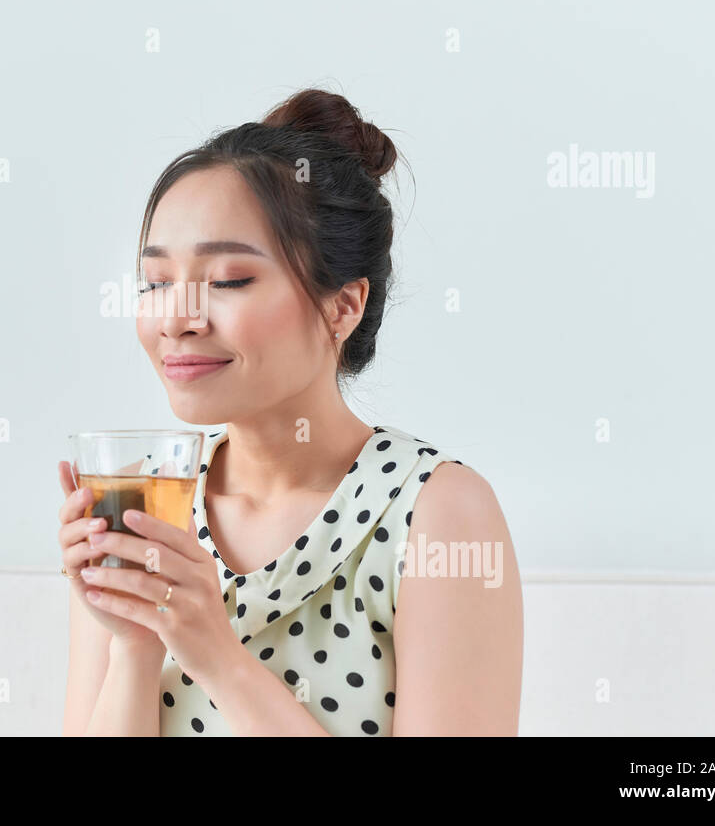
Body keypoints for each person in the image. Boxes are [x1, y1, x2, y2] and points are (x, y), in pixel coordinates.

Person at [58, 88, 522, 735]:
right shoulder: (141, 502)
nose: (178, 320)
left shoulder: (438, 515)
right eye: (157, 283)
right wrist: (136, 644)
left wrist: (217, 656)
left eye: (228, 280)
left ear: (343, 306)